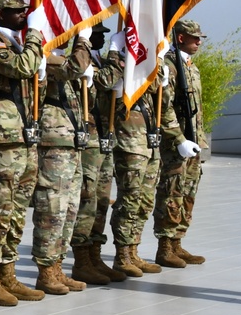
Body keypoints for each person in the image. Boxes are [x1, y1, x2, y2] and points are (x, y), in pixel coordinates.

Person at [97, 27, 193, 277]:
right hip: (129, 140)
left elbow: (164, 104)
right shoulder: (120, 69)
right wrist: (116, 54)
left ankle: (134, 250)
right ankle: (122, 254)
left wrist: (160, 76)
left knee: (145, 201)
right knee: (129, 199)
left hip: (150, 141)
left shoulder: (149, 73)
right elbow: (106, 91)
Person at [0, 0, 48, 307]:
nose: (24, 16)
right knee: (0, 209)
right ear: (1, 14)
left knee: (17, 211)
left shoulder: (17, 45)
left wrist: (41, 73)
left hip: (25, 136)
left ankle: (8, 274)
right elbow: (21, 68)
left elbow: (32, 82)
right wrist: (35, 38)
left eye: (25, 12)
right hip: (4, 138)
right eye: (17, 12)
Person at [30, 30, 92, 295]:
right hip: (53, 145)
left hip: (71, 145)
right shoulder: (47, 59)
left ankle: (57, 266)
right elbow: (76, 66)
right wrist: (84, 41)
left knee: (69, 211)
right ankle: (45, 271)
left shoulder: (60, 59)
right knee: (52, 211)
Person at [69, 22, 127, 284]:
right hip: (89, 139)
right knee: (88, 200)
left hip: (104, 136)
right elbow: (104, 81)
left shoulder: (99, 60)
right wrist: (117, 55)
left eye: (105, 36)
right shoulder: (80, 60)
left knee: (102, 201)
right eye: (97, 35)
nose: (102, 39)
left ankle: (95, 255)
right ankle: (82, 261)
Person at [153, 19, 207, 267]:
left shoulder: (191, 67)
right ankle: (165, 247)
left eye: (200, 37)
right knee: (171, 193)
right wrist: (178, 139)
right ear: (180, 37)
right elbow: (164, 108)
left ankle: (177, 242)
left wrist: (198, 139)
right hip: (176, 143)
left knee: (188, 193)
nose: (199, 41)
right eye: (194, 36)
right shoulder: (169, 66)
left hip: (193, 142)